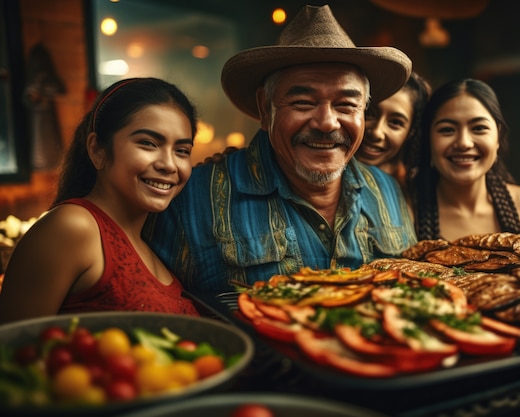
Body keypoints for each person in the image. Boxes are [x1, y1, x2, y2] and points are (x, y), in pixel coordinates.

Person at [143, 5, 417, 298]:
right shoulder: (193, 197)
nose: (326, 123)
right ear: (265, 108)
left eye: (347, 105)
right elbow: (160, 316)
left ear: (363, 111)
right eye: (302, 102)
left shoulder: (388, 190)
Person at [0, 77, 200, 324]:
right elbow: (13, 350)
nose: (169, 165)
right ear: (97, 150)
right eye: (148, 143)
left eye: (182, 151)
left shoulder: (150, 244)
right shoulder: (73, 226)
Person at [406, 78, 520, 242]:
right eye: (447, 130)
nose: (464, 143)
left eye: (479, 128)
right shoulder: (405, 209)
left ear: (498, 136)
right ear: (428, 139)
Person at [355, 72, 431, 203]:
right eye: (369, 114)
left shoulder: (413, 193)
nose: (376, 133)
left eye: (395, 122)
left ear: (411, 132)